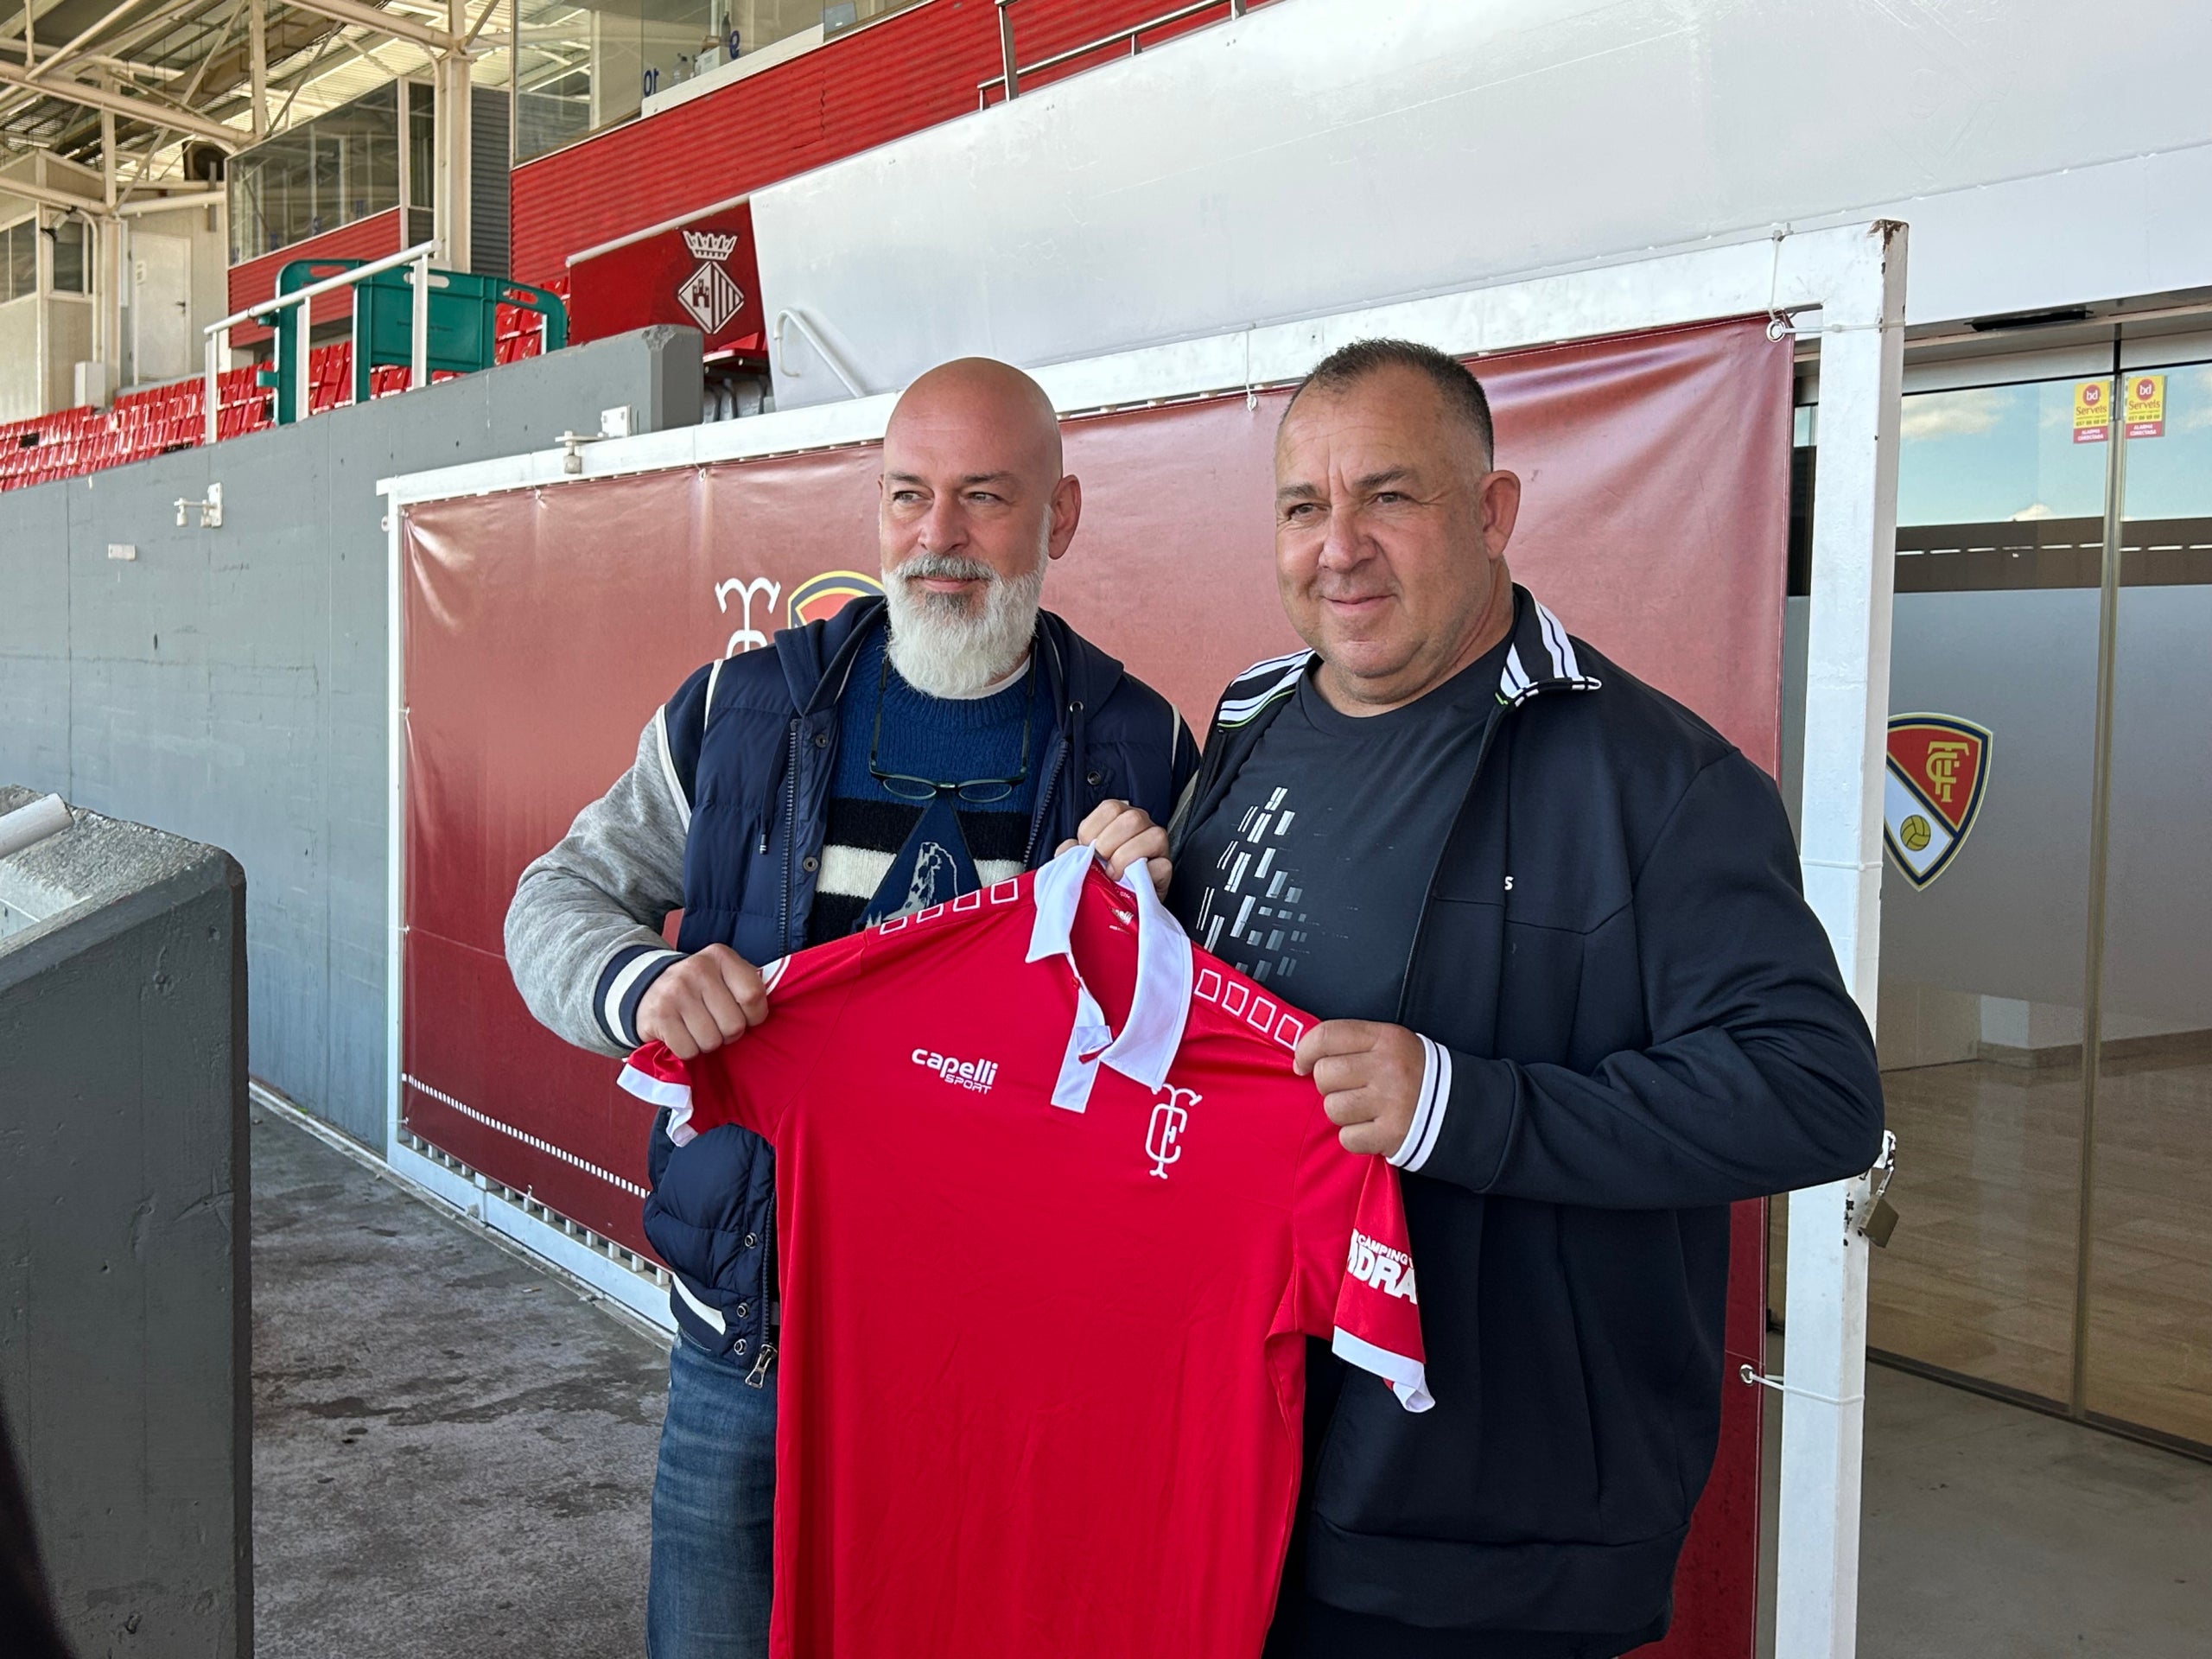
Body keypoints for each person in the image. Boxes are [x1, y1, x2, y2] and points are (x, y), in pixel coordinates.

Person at [1163, 339, 1885, 1657]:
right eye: (1303, 507)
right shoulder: (1248, 719)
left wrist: (1464, 1107)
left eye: (1390, 496)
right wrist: (1134, 906)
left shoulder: (1657, 779)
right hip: (1240, 1469)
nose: (1340, 548)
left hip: (1488, 1543)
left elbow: (1817, 1094)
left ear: (1492, 515)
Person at [505, 357, 1198, 1658]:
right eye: (907, 495)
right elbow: (554, 898)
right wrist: (643, 985)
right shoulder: (737, 710)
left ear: (1059, 519)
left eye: (985, 498)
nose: (938, 538)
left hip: (1005, 1366)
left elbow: (1187, 1077)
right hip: (751, 1350)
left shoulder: (1146, 748)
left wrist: (1155, 936)